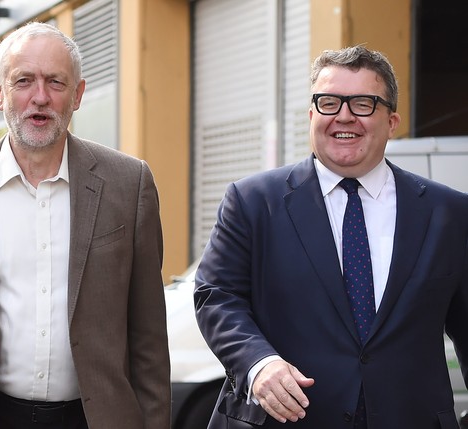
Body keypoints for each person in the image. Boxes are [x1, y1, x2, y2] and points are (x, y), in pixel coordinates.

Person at [0, 22, 171, 429]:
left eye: (56, 82)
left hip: (94, 417)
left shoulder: (129, 185)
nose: (40, 97)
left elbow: (148, 338)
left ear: (78, 94)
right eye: (24, 81)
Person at [194, 45, 468, 428]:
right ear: (311, 115)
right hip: (288, 419)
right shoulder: (253, 201)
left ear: (392, 122)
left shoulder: (449, 213)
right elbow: (217, 296)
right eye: (329, 102)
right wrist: (259, 363)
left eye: (363, 104)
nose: (344, 116)